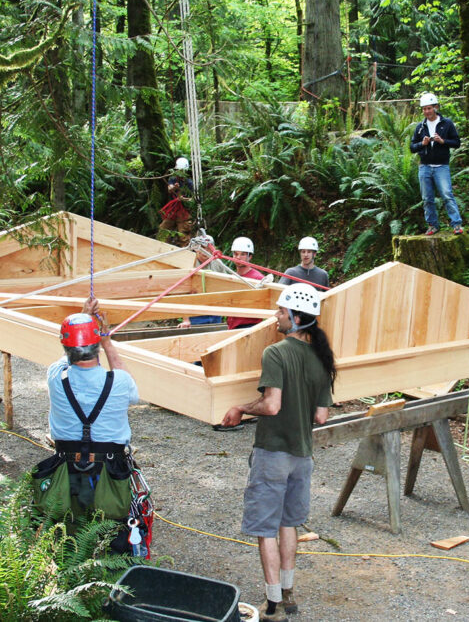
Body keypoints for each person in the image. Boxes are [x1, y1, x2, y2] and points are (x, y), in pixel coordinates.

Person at [221, 283, 334, 622]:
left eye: (281, 312)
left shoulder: (276, 352)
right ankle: (288, 592)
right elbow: (321, 416)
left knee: (266, 527)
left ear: (296, 318)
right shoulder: (321, 359)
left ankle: (271, 605)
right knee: (289, 523)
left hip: (273, 453)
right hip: (303, 455)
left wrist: (240, 407)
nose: (276, 316)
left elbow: (271, 405)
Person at [32, 296, 142, 522]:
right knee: (111, 532)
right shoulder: (119, 382)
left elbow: (66, 356)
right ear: (97, 347)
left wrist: (83, 317)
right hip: (111, 472)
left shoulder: (55, 377)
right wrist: (107, 341)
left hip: (65, 469)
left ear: (66, 346)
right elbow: (133, 394)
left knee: (68, 531)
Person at [409, 92, 463, 236]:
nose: (427, 112)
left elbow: (457, 142)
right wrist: (423, 143)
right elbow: (412, 147)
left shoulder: (447, 124)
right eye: (424, 109)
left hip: (441, 166)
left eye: (429, 108)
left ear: (436, 107)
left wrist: (443, 141)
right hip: (425, 166)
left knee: (447, 194)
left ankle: (456, 224)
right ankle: (433, 225)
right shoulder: (420, 126)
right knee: (427, 198)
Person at [225, 236, 264, 330]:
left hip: (250, 326)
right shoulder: (232, 277)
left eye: (242, 254)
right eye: (235, 254)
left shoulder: (258, 278)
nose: (238, 257)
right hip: (232, 325)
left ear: (250, 256)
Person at [158, 157, 194, 245]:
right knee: (163, 229)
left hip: (184, 212)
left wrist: (184, 199)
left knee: (183, 235)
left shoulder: (189, 183)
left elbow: (193, 199)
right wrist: (174, 187)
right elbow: (169, 189)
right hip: (173, 211)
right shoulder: (173, 179)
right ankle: (162, 248)